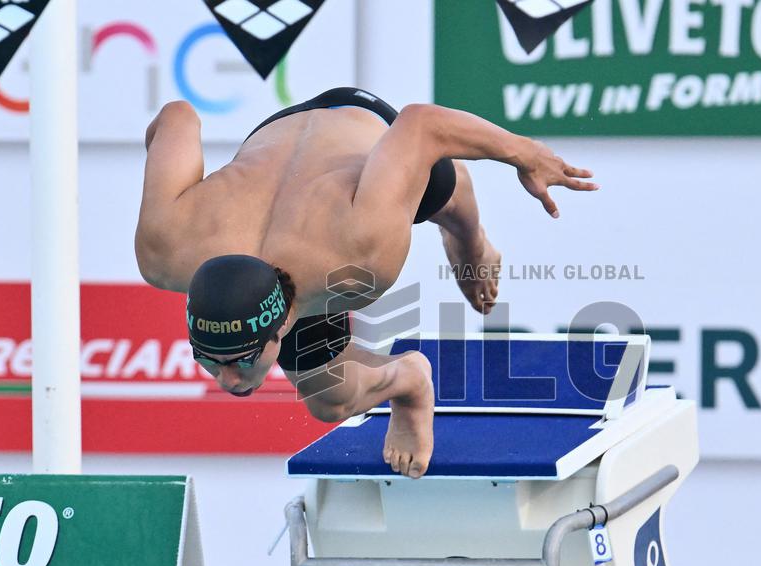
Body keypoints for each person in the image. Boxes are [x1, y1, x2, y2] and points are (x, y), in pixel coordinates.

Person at [135, 87, 598, 478]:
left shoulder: (360, 256)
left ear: (283, 326)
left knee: (439, 191)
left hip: (370, 143)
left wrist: (526, 154)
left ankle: (471, 236)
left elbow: (421, 125)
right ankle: (407, 376)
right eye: (208, 360)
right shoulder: (165, 251)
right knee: (329, 402)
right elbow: (175, 117)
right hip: (277, 140)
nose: (227, 381)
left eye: (238, 361)